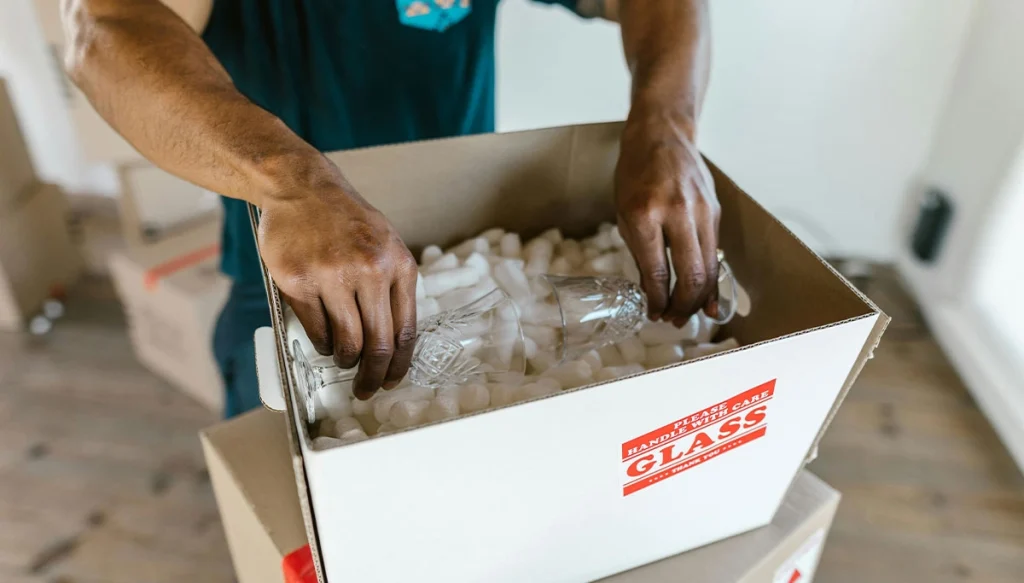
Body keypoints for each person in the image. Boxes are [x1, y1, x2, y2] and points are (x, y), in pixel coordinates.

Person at [63, 0, 719, 417]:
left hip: (468, 245)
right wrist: (294, 183)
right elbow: (102, 27)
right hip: (292, 284)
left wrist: (666, 125)